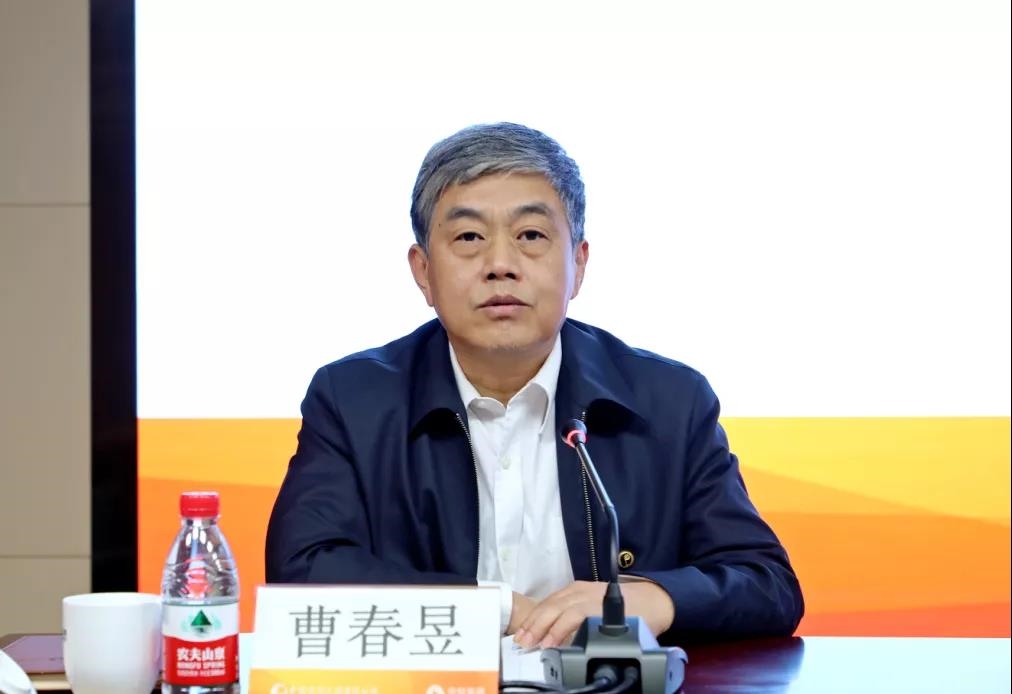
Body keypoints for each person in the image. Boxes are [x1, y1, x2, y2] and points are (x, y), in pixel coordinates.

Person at [266, 122, 803, 647]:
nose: (501, 265)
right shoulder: (353, 400)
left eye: (531, 236)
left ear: (579, 264)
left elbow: (767, 584)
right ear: (423, 271)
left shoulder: (668, 402)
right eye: (469, 237)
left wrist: (652, 599)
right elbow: (302, 570)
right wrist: (496, 610)